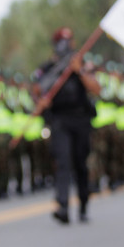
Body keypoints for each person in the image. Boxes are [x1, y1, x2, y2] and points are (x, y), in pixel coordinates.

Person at [35, 27, 98, 224]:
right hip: (60, 120)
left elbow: (96, 89)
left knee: (80, 163)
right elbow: (36, 90)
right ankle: (62, 206)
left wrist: (79, 70)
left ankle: (83, 204)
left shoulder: (81, 64)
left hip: (80, 120)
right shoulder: (48, 68)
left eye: (68, 41)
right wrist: (41, 100)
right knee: (63, 162)